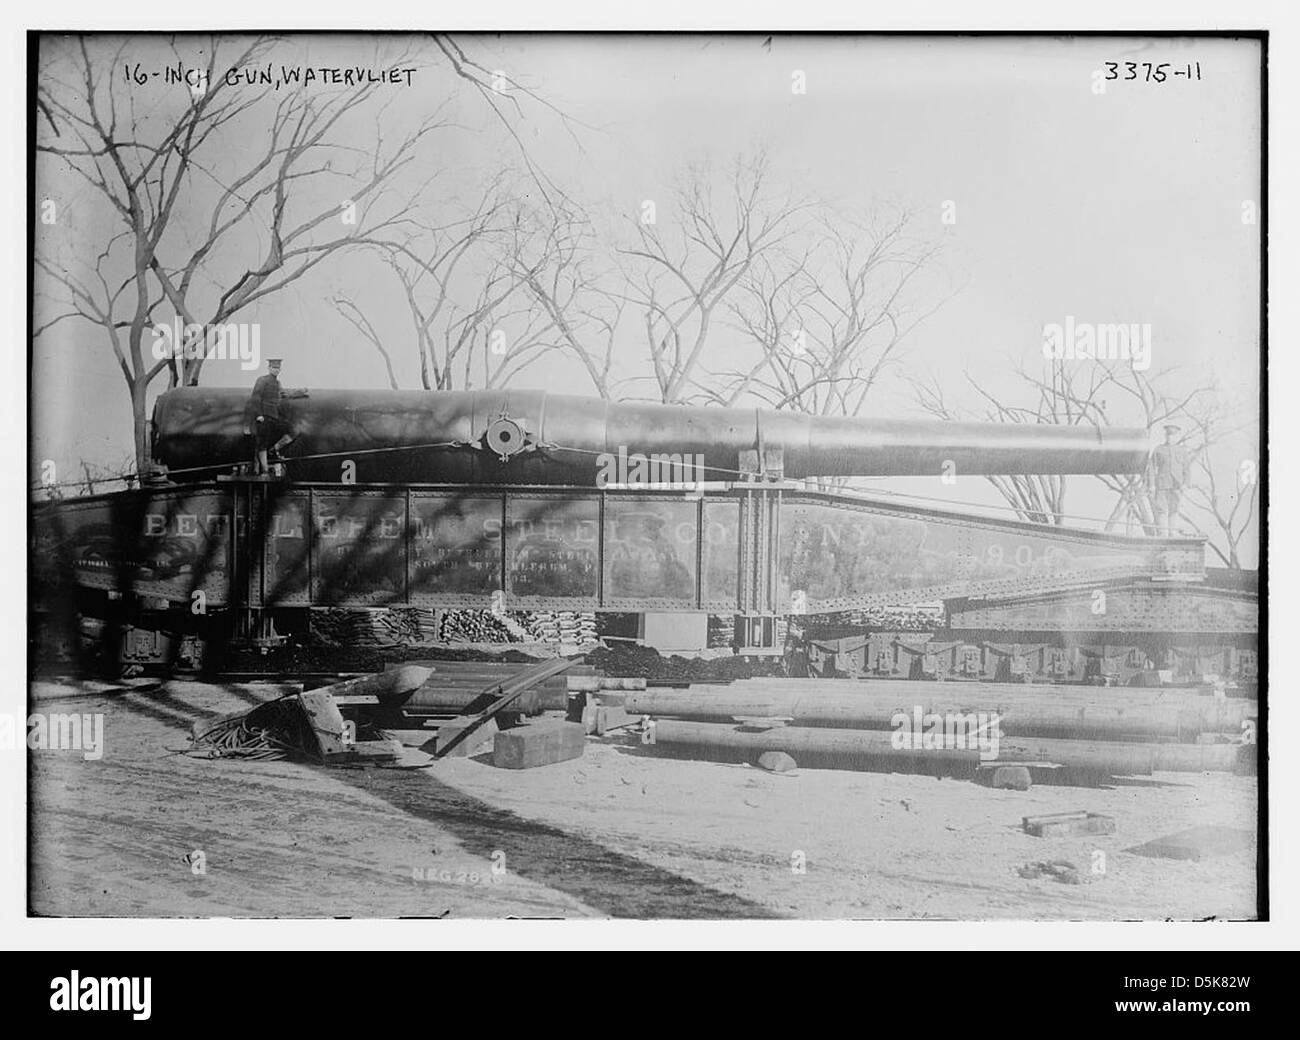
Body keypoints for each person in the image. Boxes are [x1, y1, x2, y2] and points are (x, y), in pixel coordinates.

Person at [243, 359, 309, 475]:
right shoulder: (262, 380)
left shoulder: (278, 384)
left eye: (278, 368)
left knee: (294, 430)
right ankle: (265, 470)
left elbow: (285, 395)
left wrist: (299, 392)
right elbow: (255, 397)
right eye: (274, 368)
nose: (276, 370)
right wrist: (259, 415)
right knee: (261, 444)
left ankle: (274, 449)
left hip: (274, 417)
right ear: (269, 368)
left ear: (280, 370)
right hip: (264, 417)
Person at [1147, 422, 1190, 536]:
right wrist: (1151, 485)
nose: (1170, 437)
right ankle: (1163, 534)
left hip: (1176, 486)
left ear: (1177, 436)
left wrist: (1185, 484)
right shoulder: (1158, 450)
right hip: (1162, 485)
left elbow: (1186, 470)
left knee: (1174, 510)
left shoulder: (1182, 451)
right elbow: (1151, 468)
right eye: (1168, 435)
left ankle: (1173, 534)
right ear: (1165, 436)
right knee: (1161, 510)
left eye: (1173, 435)